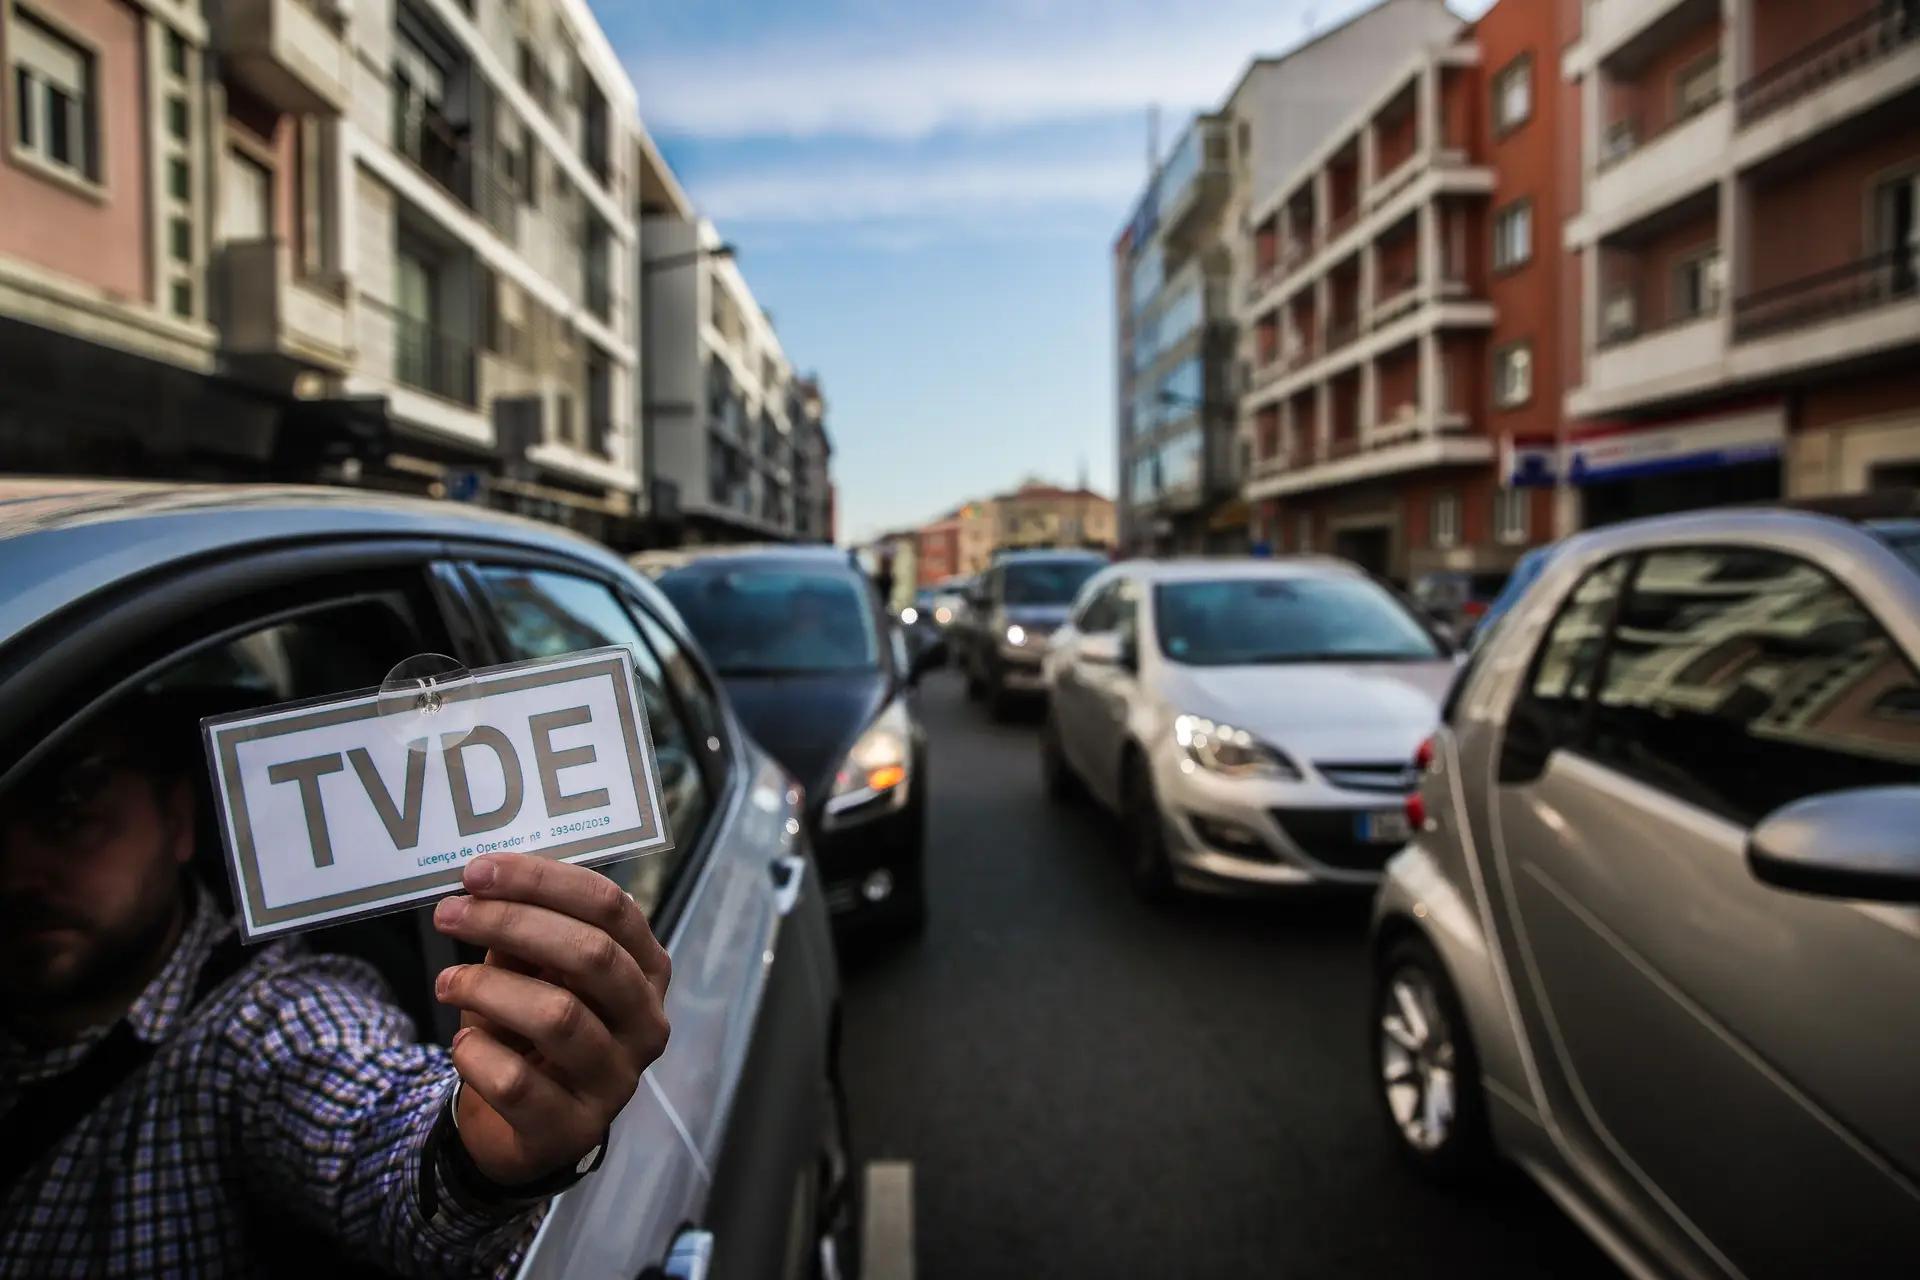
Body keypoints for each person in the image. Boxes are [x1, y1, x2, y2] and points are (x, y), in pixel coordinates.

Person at [0, 691, 673, 1277]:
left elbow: (368, 1124)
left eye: (70, 805)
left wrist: (467, 1159)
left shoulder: (265, 1021)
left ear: (179, 819)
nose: (18, 871)